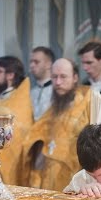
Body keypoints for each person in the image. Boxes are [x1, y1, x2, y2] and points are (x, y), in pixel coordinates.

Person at [15, 58, 91, 190]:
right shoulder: (54, 108)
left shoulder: (86, 105)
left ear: (75, 77)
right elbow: (36, 136)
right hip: (48, 175)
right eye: (54, 77)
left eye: (63, 77)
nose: (58, 82)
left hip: (74, 176)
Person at [29, 46, 55, 121]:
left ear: (49, 64)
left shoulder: (58, 91)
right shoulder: (30, 93)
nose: (32, 65)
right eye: (31, 62)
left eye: (36, 62)